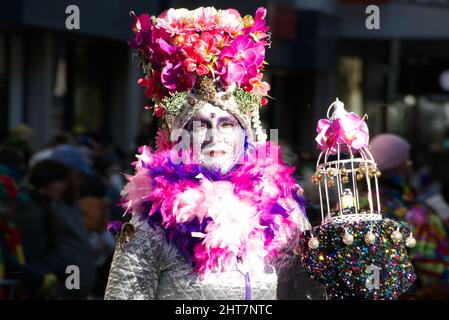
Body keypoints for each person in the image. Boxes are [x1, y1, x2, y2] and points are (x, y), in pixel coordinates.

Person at [105, 7, 326, 300]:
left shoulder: (285, 210)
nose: (214, 136)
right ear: (179, 137)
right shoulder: (152, 219)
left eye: (226, 124)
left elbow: (311, 294)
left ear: (245, 132)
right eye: (198, 126)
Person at [369, 133, 449, 299]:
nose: (410, 167)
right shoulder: (416, 213)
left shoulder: (346, 207)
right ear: (399, 167)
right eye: (407, 161)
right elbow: (438, 273)